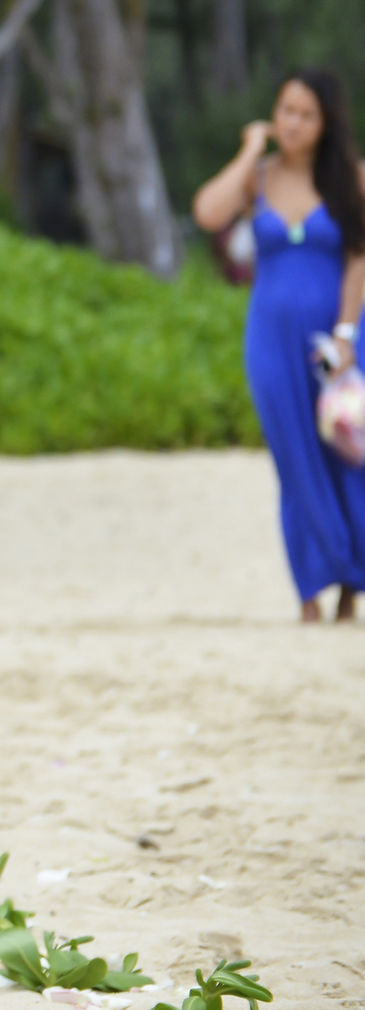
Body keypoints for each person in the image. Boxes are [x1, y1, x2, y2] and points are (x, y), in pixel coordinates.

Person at [191, 70, 365, 621]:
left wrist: (345, 335)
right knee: (292, 455)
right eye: (286, 110)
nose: (292, 122)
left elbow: (360, 258)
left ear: (326, 123)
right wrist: (249, 150)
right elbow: (207, 213)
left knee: (344, 454)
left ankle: (350, 588)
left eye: (306, 114)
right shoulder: (258, 178)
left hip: (335, 335)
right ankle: (309, 591)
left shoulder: (350, 180)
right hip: (270, 337)